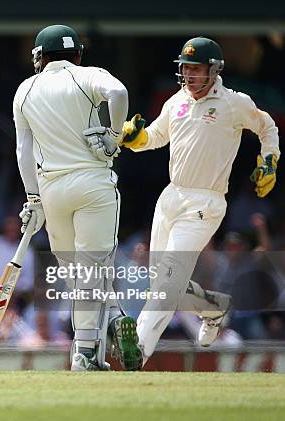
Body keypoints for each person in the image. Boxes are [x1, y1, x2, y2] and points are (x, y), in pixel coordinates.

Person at [120, 37, 280, 366]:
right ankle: (213, 307)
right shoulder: (176, 101)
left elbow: (268, 126)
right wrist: (135, 138)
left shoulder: (233, 103)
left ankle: (135, 353)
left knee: (166, 283)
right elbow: (155, 137)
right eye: (186, 69)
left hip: (205, 202)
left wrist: (269, 161)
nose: (190, 76)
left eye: (196, 69)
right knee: (162, 285)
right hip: (171, 197)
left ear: (213, 71)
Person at [12, 24, 140, 371]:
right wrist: (114, 136)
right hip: (93, 184)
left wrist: (33, 198)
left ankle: (109, 322)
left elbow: (24, 150)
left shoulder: (25, 90)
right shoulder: (88, 75)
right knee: (92, 269)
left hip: (52, 189)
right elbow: (119, 92)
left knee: (77, 272)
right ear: (78, 55)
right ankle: (86, 352)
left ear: (40, 57)